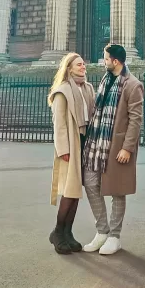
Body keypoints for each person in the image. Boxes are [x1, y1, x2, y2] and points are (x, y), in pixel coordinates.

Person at [82, 43, 144, 256]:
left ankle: (114, 236)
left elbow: (136, 119)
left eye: (106, 58)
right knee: (90, 183)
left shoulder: (133, 84)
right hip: (96, 144)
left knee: (117, 190)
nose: (103, 61)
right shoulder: (105, 80)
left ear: (115, 61)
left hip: (117, 146)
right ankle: (102, 231)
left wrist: (127, 148)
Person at [48, 52, 95, 255]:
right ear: (69, 68)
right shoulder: (62, 92)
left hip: (84, 141)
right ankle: (58, 232)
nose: (83, 67)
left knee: (75, 192)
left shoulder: (88, 88)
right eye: (79, 65)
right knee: (69, 190)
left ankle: (68, 233)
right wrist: (63, 150)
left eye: (83, 64)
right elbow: (58, 124)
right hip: (70, 144)